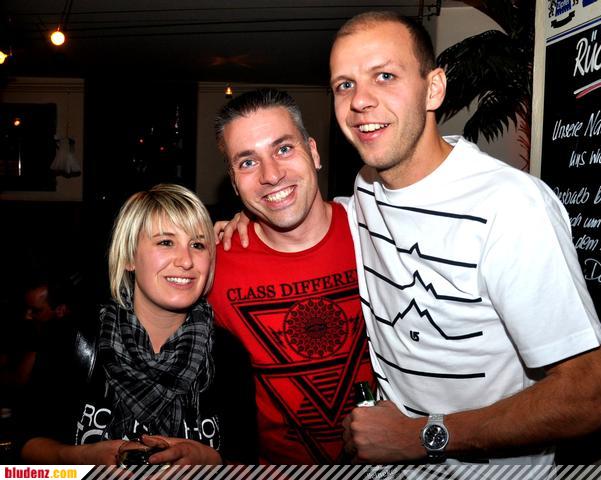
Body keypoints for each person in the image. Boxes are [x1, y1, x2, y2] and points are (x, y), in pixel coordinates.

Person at [327, 11, 601, 465]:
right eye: (344, 84)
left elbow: (591, 395)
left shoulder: (511, 207)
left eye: (384, 76)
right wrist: (247, 223)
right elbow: (317, 221)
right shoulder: (366, 189)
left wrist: (422, 436)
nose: (360, 100)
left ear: (433, 88)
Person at [18, 183, 257, 465]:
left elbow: (246, 461)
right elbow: (26, 448)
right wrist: (80, 458)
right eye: (166, 242)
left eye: (198, 245)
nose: (186, 260)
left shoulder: (228, 354)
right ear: (130, 257)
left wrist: (212, 462)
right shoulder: (75, 341)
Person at [208, 88, 374, 464]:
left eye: (283, 149)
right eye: (247, 162)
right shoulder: (213, 266)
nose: (271, 175)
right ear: (233, 183)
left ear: (313, 152)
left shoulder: (377, 234)